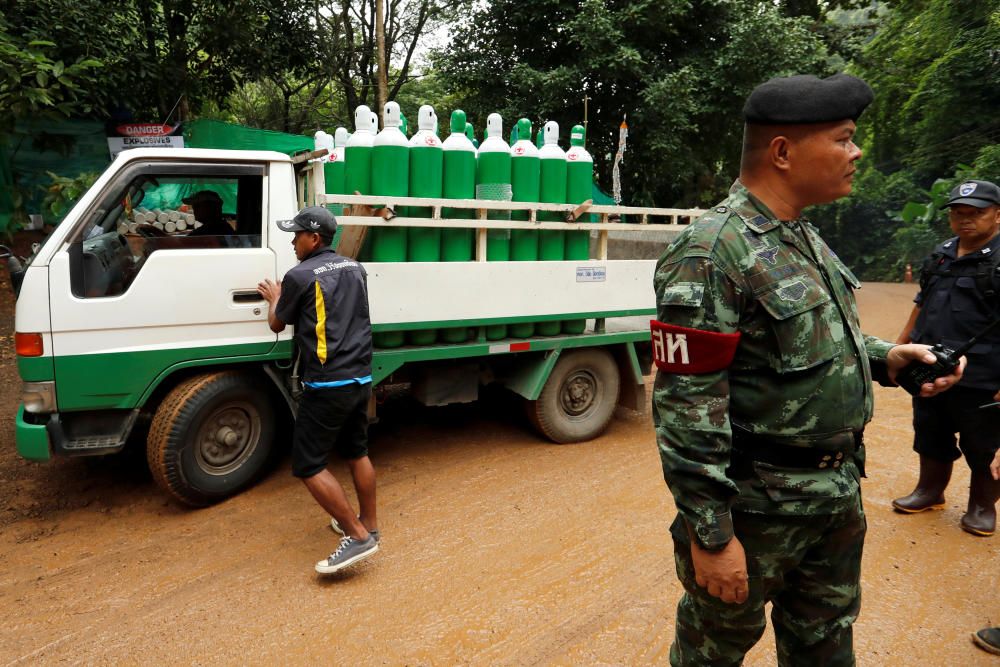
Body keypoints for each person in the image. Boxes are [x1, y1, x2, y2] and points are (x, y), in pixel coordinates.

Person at [651, 73, 966, 666]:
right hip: (757, 507)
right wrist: (712, 536)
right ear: (782, 152)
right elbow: (686, 406)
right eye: (845, 138)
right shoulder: (712, 251)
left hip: (834, 495)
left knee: (824, 645)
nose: (857, 151)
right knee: (712, 653)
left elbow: (818, 335)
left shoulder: (802, 235)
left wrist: (887, 358)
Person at [256, 206, 379, 575]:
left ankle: (358, 537)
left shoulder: (299, 275)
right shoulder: (354, 268)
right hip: (360, 377)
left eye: (296, 235)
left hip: (327, 385)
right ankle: (369, 523)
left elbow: (278, 324)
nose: (292, 241)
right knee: (358, 452)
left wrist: (275, 297)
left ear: (314, 238)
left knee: (309, 465)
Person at [892, 180, 1000, 536]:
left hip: (985, 372)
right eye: (958, 212)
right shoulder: (940, 254)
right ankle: (930, 491)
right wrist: (898, 347)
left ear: (997, 215)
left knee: (983, 443)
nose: (965, 220)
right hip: (930, 363)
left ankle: (982, 507)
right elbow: (921, 304)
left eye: (976, 213)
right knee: (929, 429)